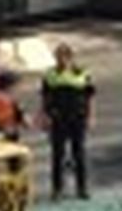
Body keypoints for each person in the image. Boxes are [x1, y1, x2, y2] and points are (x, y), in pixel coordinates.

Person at [41, 43, 95, 200]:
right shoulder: (50, 75)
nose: (62, 60)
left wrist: (90, 116)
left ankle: (82, 188)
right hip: (58, 118)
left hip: (77, 117)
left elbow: (89, 97)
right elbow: (45, 98)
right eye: (59, 57)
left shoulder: (82, 74)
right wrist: (45, 116)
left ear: (70, 58)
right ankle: (57, 189)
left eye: (65, 57)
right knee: (58, 155)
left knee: (79, 154)